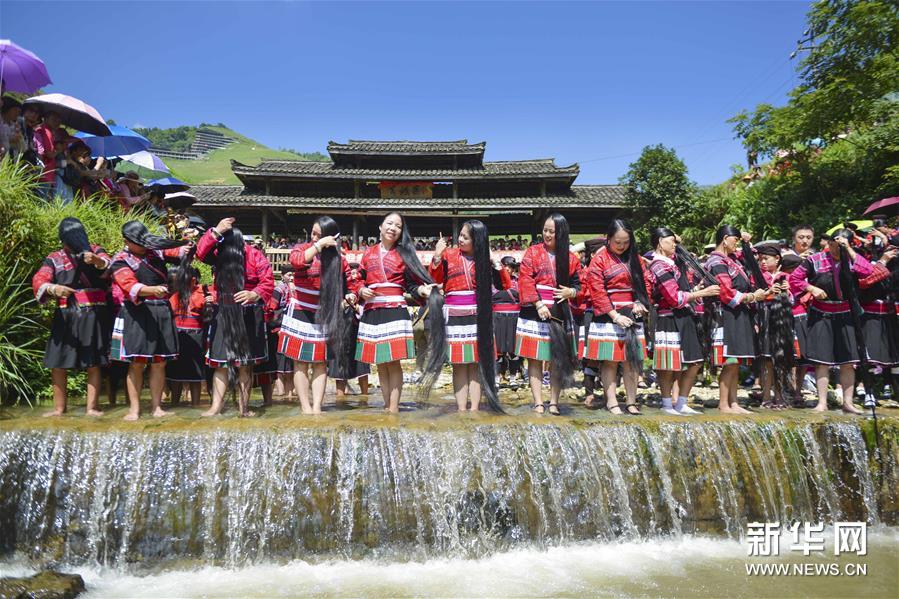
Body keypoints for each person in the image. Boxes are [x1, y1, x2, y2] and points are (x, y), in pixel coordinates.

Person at [355, 212, 438, 413]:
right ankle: (386, 406)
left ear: (401, 232)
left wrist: (422, 290)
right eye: (389, 223)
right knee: (380, 362)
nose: (393, 228)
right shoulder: (368, 254)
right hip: (372, 310)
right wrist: (360, 290)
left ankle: (393, 408)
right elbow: (358, 279)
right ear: (380, 227)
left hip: (394, 310)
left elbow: (412, 285)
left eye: (398, 226)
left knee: (393, 362)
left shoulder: (404, 254)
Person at [31, 218, 113, 417]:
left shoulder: (95, 250)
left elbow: (110, 266)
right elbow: (40, 278)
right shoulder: (55, 258)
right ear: (63, 239)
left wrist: (97, 261)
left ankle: (92, 407)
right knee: (58, 362)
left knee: (93, 362)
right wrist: (53, 288)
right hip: (65, 313)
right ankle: (59, 409)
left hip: (92, 314)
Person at [109, 221, 189, 420]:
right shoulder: (120, 260)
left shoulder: (156, 252)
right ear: (126, 241)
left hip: (161, 310)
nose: (143, 246)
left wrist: (187, 245)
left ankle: (157, 407)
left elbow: (179, 252)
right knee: (137, 363)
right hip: (137, 312)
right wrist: (151, 290)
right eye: (138, 243)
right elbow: (129, 285)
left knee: (159, 362)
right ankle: (134, 409)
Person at [196, 217, 274, 417]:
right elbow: (200, 252)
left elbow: (267, 281)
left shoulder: (255, 256)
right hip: (224, 312)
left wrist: (254, 293)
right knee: (221, 364)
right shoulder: (219, 254)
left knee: (245, 365)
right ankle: (215, 407)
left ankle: (244, 408)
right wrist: (216, 231)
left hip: (249, 314)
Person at [429, 220, 509, 411]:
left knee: (475, 364)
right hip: (454, 314)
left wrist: (494, 260)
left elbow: (504, 285)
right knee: (459, 364)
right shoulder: (448, 254)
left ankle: (474, 409)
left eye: (466, 237)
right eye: (461, 235)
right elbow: (434, 279)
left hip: (478, 315)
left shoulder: (484, 260)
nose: (460, 239)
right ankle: (461, 409)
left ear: (477, 240)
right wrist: (437, 256)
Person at [279, 217, 355, 414]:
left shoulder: (339, 259)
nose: (314, 237)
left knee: (321, 362)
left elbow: (350, 283)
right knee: (300, 362)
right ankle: (305, 407)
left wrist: (352, 294)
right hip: (301, 310)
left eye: (319, 235)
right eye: (313, 233)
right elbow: (296, 261)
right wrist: (318, 245)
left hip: (324, 313)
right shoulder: (302, 249)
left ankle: (317, 407)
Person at [584, 220, 652, 415]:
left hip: (632, 312)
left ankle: (631, 401)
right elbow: (597, 291)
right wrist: (614, 316)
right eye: (617, 242)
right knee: (610, 361)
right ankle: (612, 401)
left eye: (626, 242)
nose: (622, 246)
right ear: (608, 239)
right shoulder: (599, 259)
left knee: (632, 360)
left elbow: (645, 283)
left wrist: (641, 302)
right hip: (609, 314)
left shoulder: (635, 259)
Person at [648, 228, 720, 415]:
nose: (675, 244)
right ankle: (666, 404)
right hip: (668, 318)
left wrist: (696, 290)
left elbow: (680, 294)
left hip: (684, 316)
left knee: (695, 361)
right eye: (671, 241)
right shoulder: (658, 265)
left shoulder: (671, 263)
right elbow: (674, 298)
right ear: (660, 242)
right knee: (668, 365)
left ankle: (681, 402)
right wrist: (702, 292)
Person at [515, 213, 581, 415]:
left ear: (562, 233)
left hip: (559, 311)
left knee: (557, 359)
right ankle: (538, 402)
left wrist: (571, 292)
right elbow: (525, 279)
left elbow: (579, 285)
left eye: (552, 231)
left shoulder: (571, 258)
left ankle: (553, 402)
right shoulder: (532, 252)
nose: (547, 234)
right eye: (545, 230)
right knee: (534, 359)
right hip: (534, 311)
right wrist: (538, 303)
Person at [706, 225, 767, 414]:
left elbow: (750, 255)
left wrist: (747, 242)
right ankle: (724, 404)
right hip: (725, 314)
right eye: (736, 240)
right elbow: (726, 292)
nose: (737, 244)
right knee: (729, 360)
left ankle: (734, 403)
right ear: (725, 239)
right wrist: (752, 297)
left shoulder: (732, 259)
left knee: (736, 361)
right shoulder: (716, 261)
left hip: (738, 313)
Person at [754, 244, 796, 409]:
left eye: (766, 258)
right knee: (766, 359)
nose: (762, 262)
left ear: (777, 258)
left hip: (783, 319)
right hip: (765, 316)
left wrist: (788, 292)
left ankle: (780, 396)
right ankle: (766, 396)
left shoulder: (787, 276)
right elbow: (754, 298)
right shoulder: (757, 276)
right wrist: (769, 292)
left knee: (781, 358)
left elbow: (795, 301)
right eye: (760, 259)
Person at [166, 260, 211, 406]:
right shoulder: (174, 296)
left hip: (196, 338)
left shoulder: (203, 293)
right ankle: (174, 405)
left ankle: (195, 405)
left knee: (195, 375)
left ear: (193, 280)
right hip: (178, 337)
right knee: (175, 375)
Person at [493, 256, 522, 385]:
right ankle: (497, 377)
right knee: (498, 350)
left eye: (510, 267)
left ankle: (513, 377)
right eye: (505, 266)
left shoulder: (519, 282)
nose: (508, 269)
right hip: (496, 318)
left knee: (513, 349)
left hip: (515, 318)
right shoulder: (493, 282)